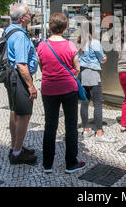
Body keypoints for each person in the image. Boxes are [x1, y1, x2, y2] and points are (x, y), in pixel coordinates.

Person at [37, 13, 85, 174]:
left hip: (48, 89)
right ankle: (71, 163)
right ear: (65, 28)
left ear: (50, 27)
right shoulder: (70, 46)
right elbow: (77, 68)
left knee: (50, 126)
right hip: (69, 88)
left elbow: (42, 67)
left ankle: (47, 164)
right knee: (71, 126)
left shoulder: (42, 46)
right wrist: (70, 75)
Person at [5, 4, 38, 165]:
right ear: (21, 18)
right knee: (24, 115)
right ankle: (18, 153)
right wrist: (31, 86)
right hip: (19, 78)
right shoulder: (19, 36)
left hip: (12, 77)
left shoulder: (10, 30)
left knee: (15, 112)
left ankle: (16, 146)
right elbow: (21, 64)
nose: (30, 16)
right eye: (28, 14)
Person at [77, 21, 115, 142]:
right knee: (98, 103)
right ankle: (99, 132)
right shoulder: (95, 43)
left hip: (82, 74)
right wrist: (105, 58)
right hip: (93, 74)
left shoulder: (78, 43)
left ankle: (86, 130)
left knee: (84, 102)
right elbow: (102, 58)